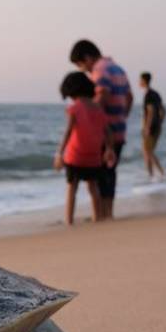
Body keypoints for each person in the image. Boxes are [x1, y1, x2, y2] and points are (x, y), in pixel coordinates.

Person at [69, 40, 132, 220]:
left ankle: (103, 214)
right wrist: (122, 116)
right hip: (119, 129)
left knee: (101, 174)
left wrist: (87, 114)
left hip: (105, 132)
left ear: (88, 57)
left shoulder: (100, 70)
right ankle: (108, 212)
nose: (84, 70)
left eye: (82, 65)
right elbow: (129, 97)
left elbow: (102, 95)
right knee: (110, 172)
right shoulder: (118, 69)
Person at [54, 72, 113, 225]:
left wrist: (59, 153)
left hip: (75, 156)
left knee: (72, 189)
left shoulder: (74, 108)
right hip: (93, 156)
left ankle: (69, 220)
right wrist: (109, 149)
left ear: (72, 92)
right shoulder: (98, 109)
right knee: (93, 189)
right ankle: (97, 217)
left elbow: (68, 132)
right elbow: (107, 132)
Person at [138, 72, 166, 179]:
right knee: (148, 151)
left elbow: (151, 111)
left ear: (144, 81)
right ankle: (156, 174)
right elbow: (163, 111)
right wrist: (160, 122)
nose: (139, 82)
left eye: (140, 80)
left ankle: (154, 174)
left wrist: (147, 127)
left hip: (151, 127)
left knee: (147, 151)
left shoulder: (149, 95)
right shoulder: (156, 94)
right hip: (157, 126)